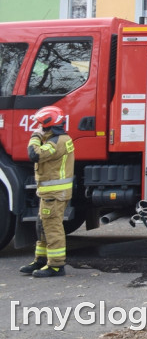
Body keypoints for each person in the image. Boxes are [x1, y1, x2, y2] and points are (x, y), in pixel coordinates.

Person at [20, 106, 75, 278]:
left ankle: (56, 266)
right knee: (42, 226)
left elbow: (34, 154)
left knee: (52, 227)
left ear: (49, 125)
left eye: (42, 126)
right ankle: (41, 260)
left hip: (54, 194)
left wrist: (35, 136)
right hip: (50, 194)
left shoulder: (56, 142)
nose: (40, 129)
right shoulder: (58, 139)